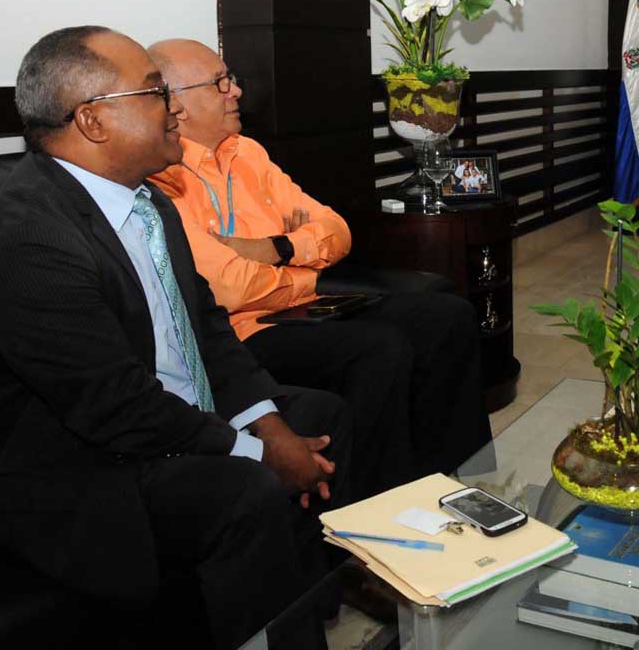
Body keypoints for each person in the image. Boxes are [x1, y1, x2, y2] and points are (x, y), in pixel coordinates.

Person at [0, 26, 352, 649]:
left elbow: (209, 328)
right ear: (93, 120)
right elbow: (113, 405)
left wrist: (268, 429)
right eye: (156, 92)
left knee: (321, 418)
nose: (175, 109)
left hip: (167, 413)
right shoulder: (29, 234)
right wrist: (255, 452)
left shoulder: (146, 199)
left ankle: (306, 603)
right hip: (86, 461)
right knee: (246, 487)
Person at [145, 39, 491, 481]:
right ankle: (381, 501)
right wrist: (305, 273)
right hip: (245, 330)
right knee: (381, 347)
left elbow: (336, 230)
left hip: (301, 300)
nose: (236, 91)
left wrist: (279, 249)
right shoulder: (161, 173)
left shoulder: (245, 152)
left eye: (230, 79)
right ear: (177, 104)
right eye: (220, 83)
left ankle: (453, 477)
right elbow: (228, 288)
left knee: (449, 315)